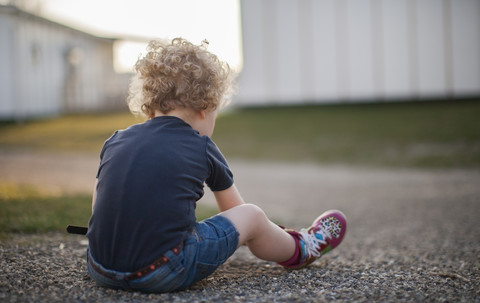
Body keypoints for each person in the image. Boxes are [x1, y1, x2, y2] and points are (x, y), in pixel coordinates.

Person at [86, 38, 347, 293]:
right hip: (163, 270)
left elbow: (100, 205)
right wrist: (259, 232)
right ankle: (303, 248)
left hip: (100, 266)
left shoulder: (116, 140)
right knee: (252, 216)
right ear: (205, 108)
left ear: (150, 105)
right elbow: (236, 213)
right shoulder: (201, 145)